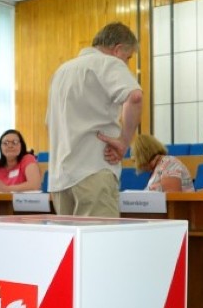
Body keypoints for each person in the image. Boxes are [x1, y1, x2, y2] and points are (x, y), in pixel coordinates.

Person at [46, 21, 143, 217]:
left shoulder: (61, 71)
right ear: (117, 50)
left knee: (74, 245)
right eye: (128, 57)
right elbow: (135, 96)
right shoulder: (109, 62)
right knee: (101, 246)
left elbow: (48, 123)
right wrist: (124, 141)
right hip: (93, 171)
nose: (126, 64)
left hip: (60, 179)